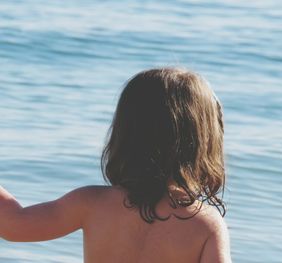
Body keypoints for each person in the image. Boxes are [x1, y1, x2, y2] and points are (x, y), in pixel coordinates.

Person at [0, 67, 232, 262]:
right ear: (202, 142)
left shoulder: (91, 203)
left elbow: (13, 225)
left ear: (125, 135)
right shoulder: (206, 224)